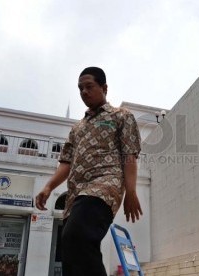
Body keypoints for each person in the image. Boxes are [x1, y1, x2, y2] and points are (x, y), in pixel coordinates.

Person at [35, 67, 142, 275]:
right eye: (80, 88)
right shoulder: (77, 128)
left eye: (89, 86)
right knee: (70, 250)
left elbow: (129, 155)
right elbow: (66, 163)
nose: (84, 92)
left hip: (105, 186)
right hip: (76, 194)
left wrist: (131, 192)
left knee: (77, 236)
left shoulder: (122, 116)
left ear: (104, 88)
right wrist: (48, 186)